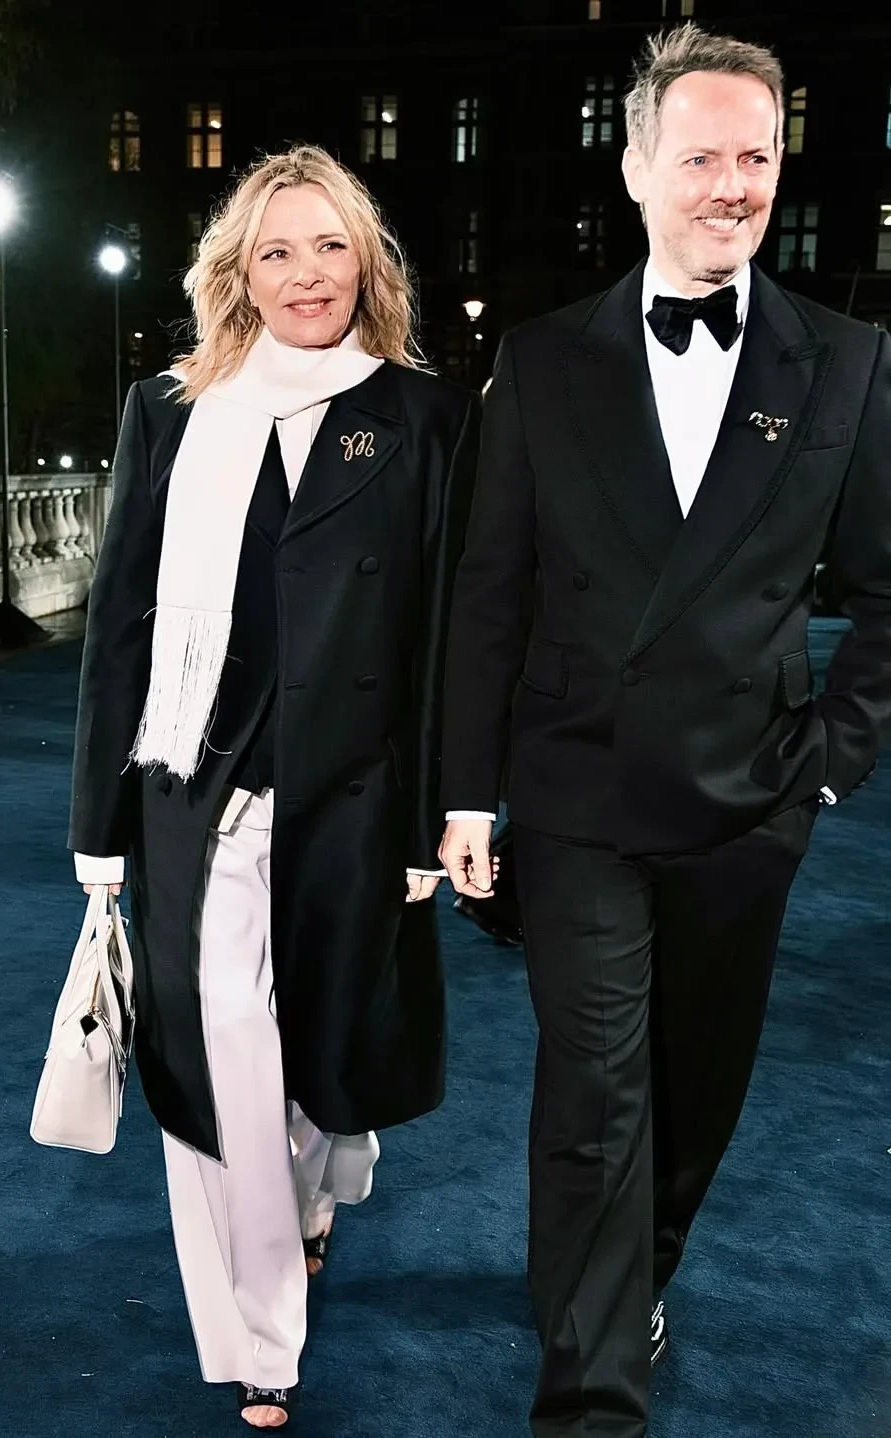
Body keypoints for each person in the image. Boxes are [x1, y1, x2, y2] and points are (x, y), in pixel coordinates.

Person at [439, 22, 891, 1437]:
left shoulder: (847, 359)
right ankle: (591, 1397)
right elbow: (488, 593)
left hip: (748, 797)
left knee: (695, 1095)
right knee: (595, 1093)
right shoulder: (542, 359)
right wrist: (466, 794)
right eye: (699, 156)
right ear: (636, 168)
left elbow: (886, 591)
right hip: (577, 796)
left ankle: (631, 1274)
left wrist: (831, 761)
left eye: (756, 156)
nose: (732, 184)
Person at [68, 144, 479, 1429]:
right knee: (221, 1054)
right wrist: (98, 826)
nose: (307, 274)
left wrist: (433, 817)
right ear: (238, 273)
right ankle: (258, 1331)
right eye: (277, 252)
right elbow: (121, 625)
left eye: (331, 246)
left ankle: (315, 1184)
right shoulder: (169, 410)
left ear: (369, 262)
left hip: (356, 794)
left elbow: (444, 634)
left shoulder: (425, 417)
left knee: (320, 1057)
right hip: (198, 791)